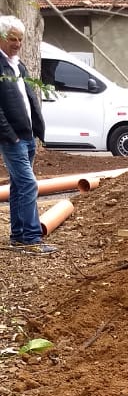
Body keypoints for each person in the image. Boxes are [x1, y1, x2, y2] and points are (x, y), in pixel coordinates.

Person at [0, 15, 56, 255]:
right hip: (12, 139)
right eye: (12, 38)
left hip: (27, 135)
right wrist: (10, 135)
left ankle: (19, 236)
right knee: (28, 184)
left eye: (20, 39)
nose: (17, 43)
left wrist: (36, 131)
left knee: (19, 187)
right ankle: (32, 239)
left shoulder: (18, 65)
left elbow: (28, 99)